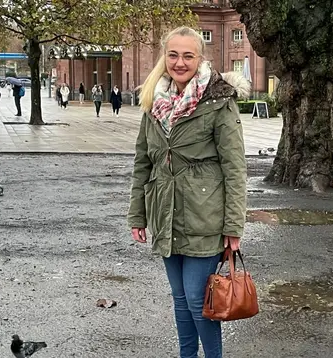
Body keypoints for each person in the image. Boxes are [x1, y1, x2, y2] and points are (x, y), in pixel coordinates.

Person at [127, 26, 249, 358]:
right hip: (164, 212)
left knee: (198, 298)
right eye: (173, 55)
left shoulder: (218, 102)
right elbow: (143, 162)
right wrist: (137, 215)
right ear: (164, 56)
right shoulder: (153, 100)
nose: (180, 62)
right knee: (180, 298)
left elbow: (234, 166)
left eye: (188, 56)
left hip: (204, 214)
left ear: (200, 58)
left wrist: (233, 227)